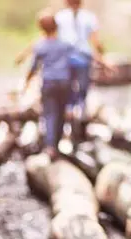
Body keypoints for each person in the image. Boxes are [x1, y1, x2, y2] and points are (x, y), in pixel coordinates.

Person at [55, 0, 108, 143]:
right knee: (70, 91)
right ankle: (70, 119)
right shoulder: (60, 18)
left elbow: (94, 40)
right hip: (66, 59)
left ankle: (80, 120)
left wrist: (101, 57)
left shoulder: (88, 18)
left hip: (83, 58)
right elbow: (54, 38)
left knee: (82, 90)